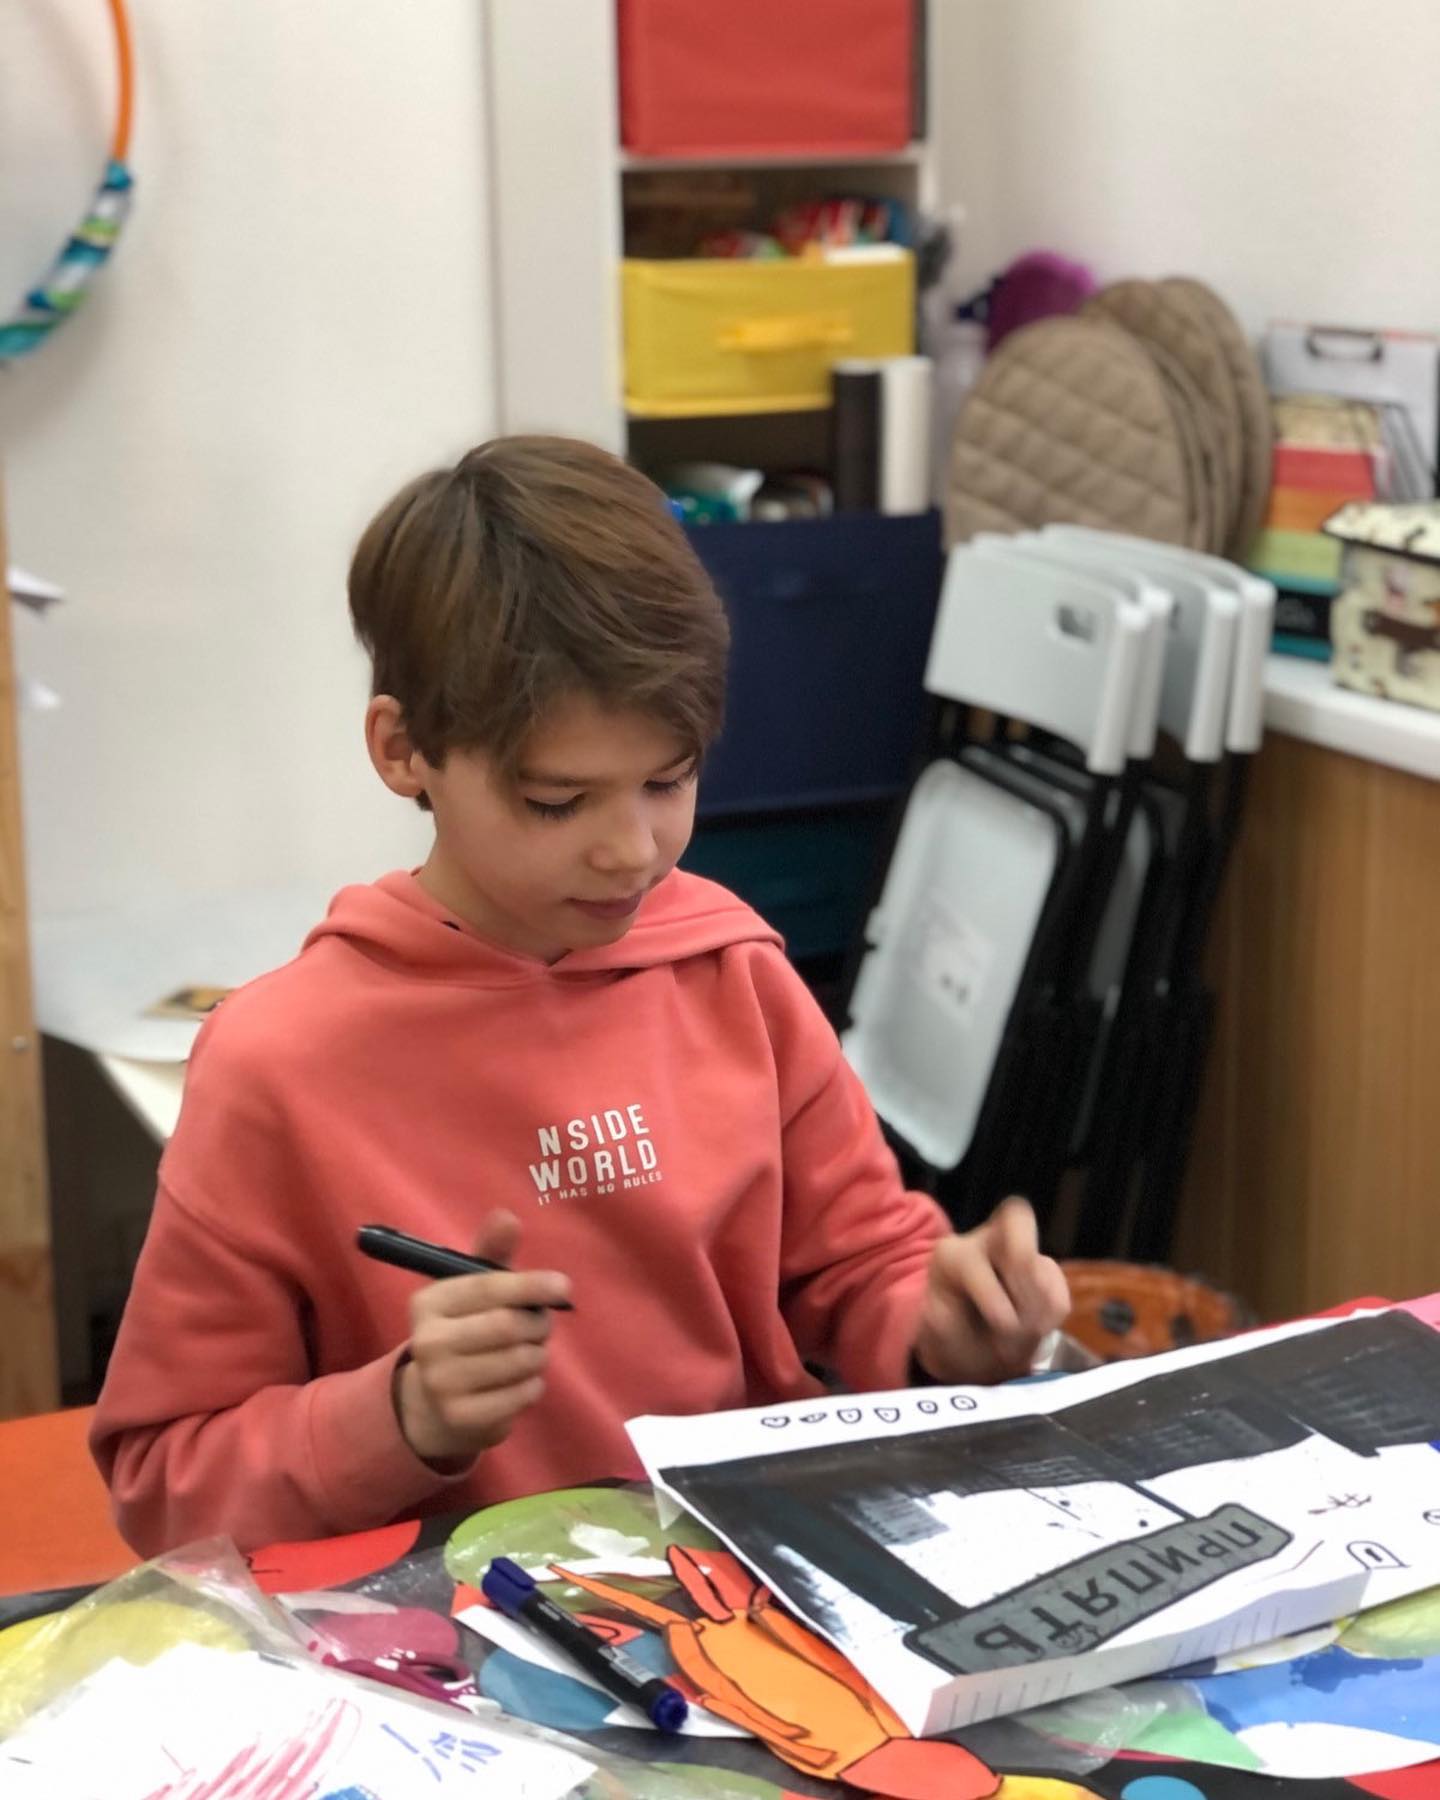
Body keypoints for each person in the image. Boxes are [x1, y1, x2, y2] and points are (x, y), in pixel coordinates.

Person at [92, 437, 1069, 1555]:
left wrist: (939, 1324)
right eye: (558, 801)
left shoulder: (731, 973)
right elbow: (164, 1484)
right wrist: (398, 1417)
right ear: (404, 751)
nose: (632, 850)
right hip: (456, 1636)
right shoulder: (280, 1063)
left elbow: (861, 1266)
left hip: (748, 1591)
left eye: (669, 780)